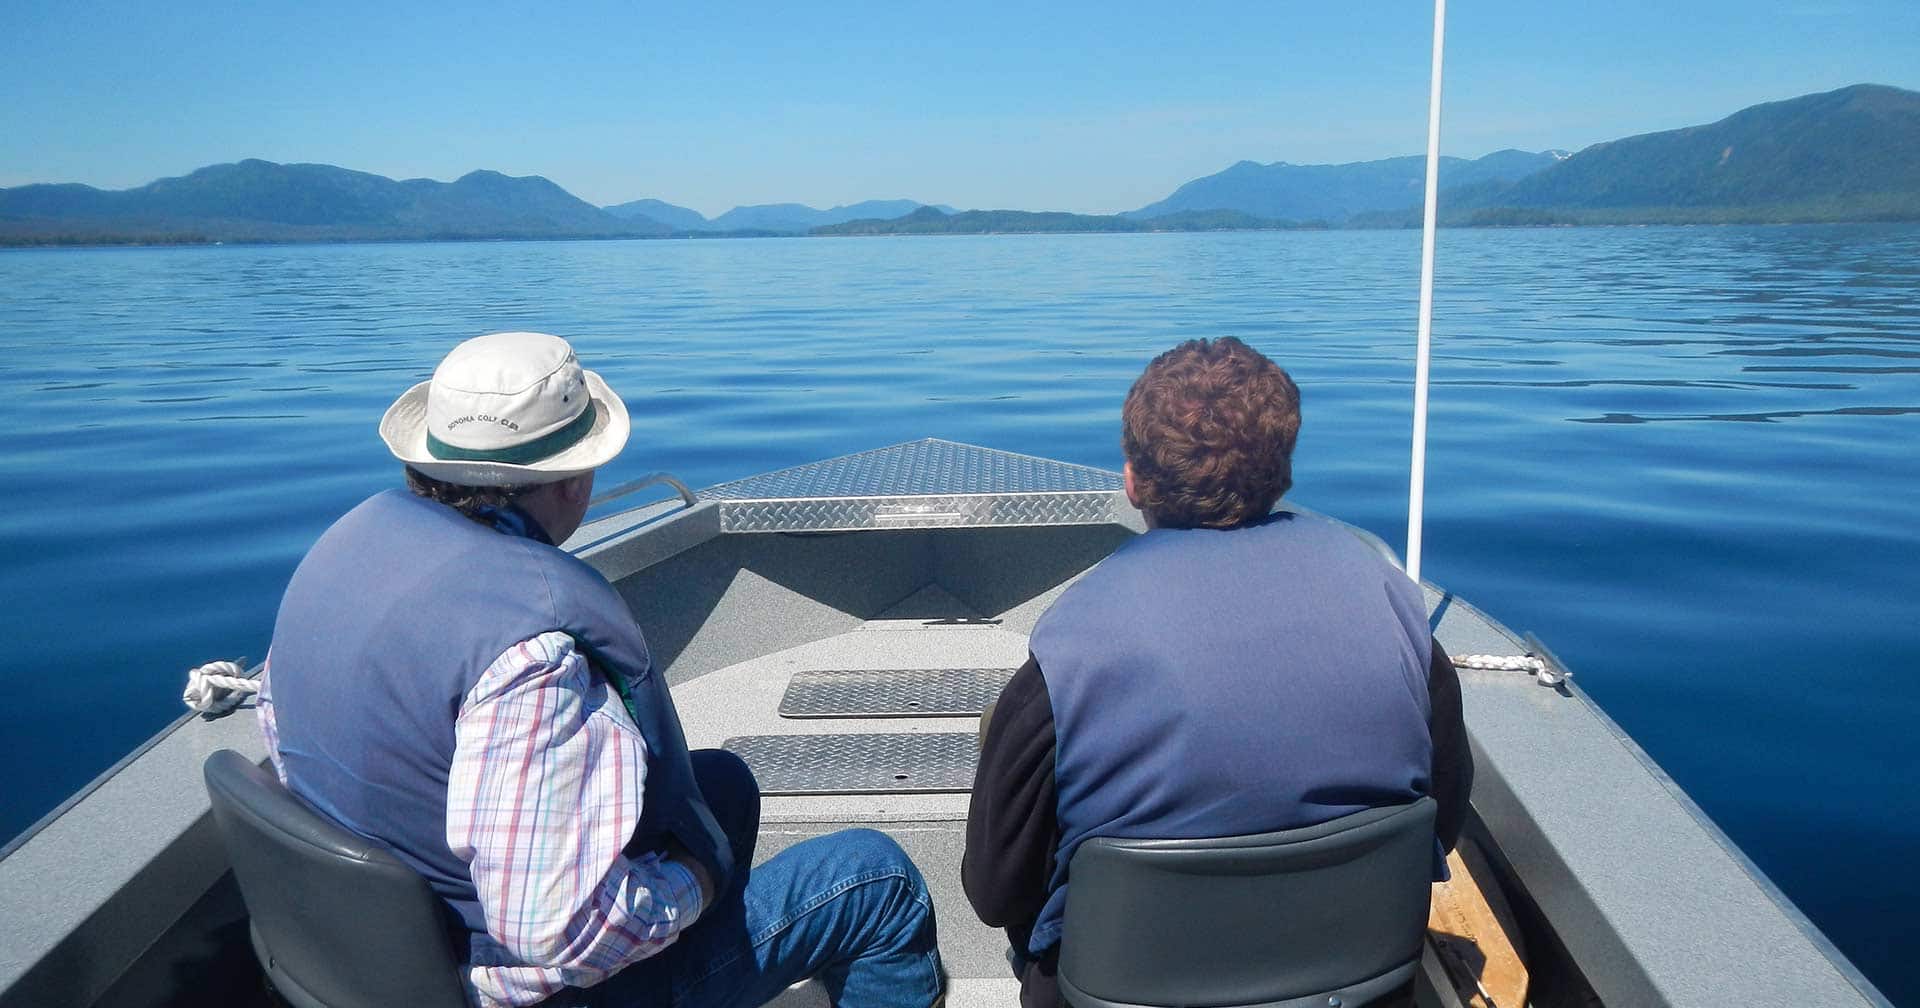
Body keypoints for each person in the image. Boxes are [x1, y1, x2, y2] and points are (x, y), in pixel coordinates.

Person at [257, 331, 943, 1008]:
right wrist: (695, 883)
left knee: (724, 787)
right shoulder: (533, 657)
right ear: (570, 481)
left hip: (385, 948)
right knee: (877, 882)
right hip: (522, 987)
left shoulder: (340, 554)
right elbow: (558, 934)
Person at [962, 336, 1472, 1008]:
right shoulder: (1393, 609)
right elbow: (1443, 821)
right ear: (1282, 473)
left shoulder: (1069, 653)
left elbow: (996, 893)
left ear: (1132, 481)